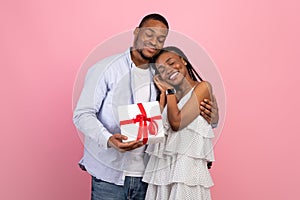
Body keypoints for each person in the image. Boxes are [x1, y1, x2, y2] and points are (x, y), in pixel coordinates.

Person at [73, 13, 218, 200]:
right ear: (136, 32)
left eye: (160, 38)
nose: (154, 41)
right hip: (109, 176)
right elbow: (83, 114)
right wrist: (109, 139)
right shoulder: (105, 68)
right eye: (149, 34)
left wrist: (212, 116)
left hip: (149, 177)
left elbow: (186, 114)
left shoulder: (163, 73)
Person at [143, 46, 215, 200]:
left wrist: (169, 91)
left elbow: (177, 123)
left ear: (184, 61)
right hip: (163, 170)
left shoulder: (203, 87)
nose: (169, 70)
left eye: (171, 63)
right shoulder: (169, 95)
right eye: (162, 69)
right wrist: (163, 94)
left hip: (186, 170)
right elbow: (155, 130)